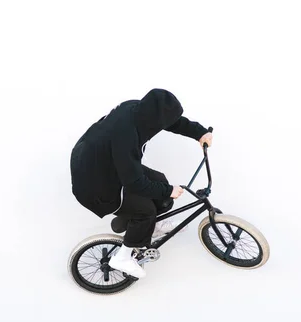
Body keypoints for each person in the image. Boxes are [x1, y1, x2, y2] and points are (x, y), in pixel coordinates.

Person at [70, 88, 213, 278]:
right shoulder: (126, 136)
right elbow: (134, 183)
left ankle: (150, 227)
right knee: (146, 211)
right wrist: (168, 191)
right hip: (94, 185)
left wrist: (199, 133)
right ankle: (122, 257)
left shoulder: (136, 108)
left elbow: (172, 122)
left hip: (101, 164)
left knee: (159, 181)